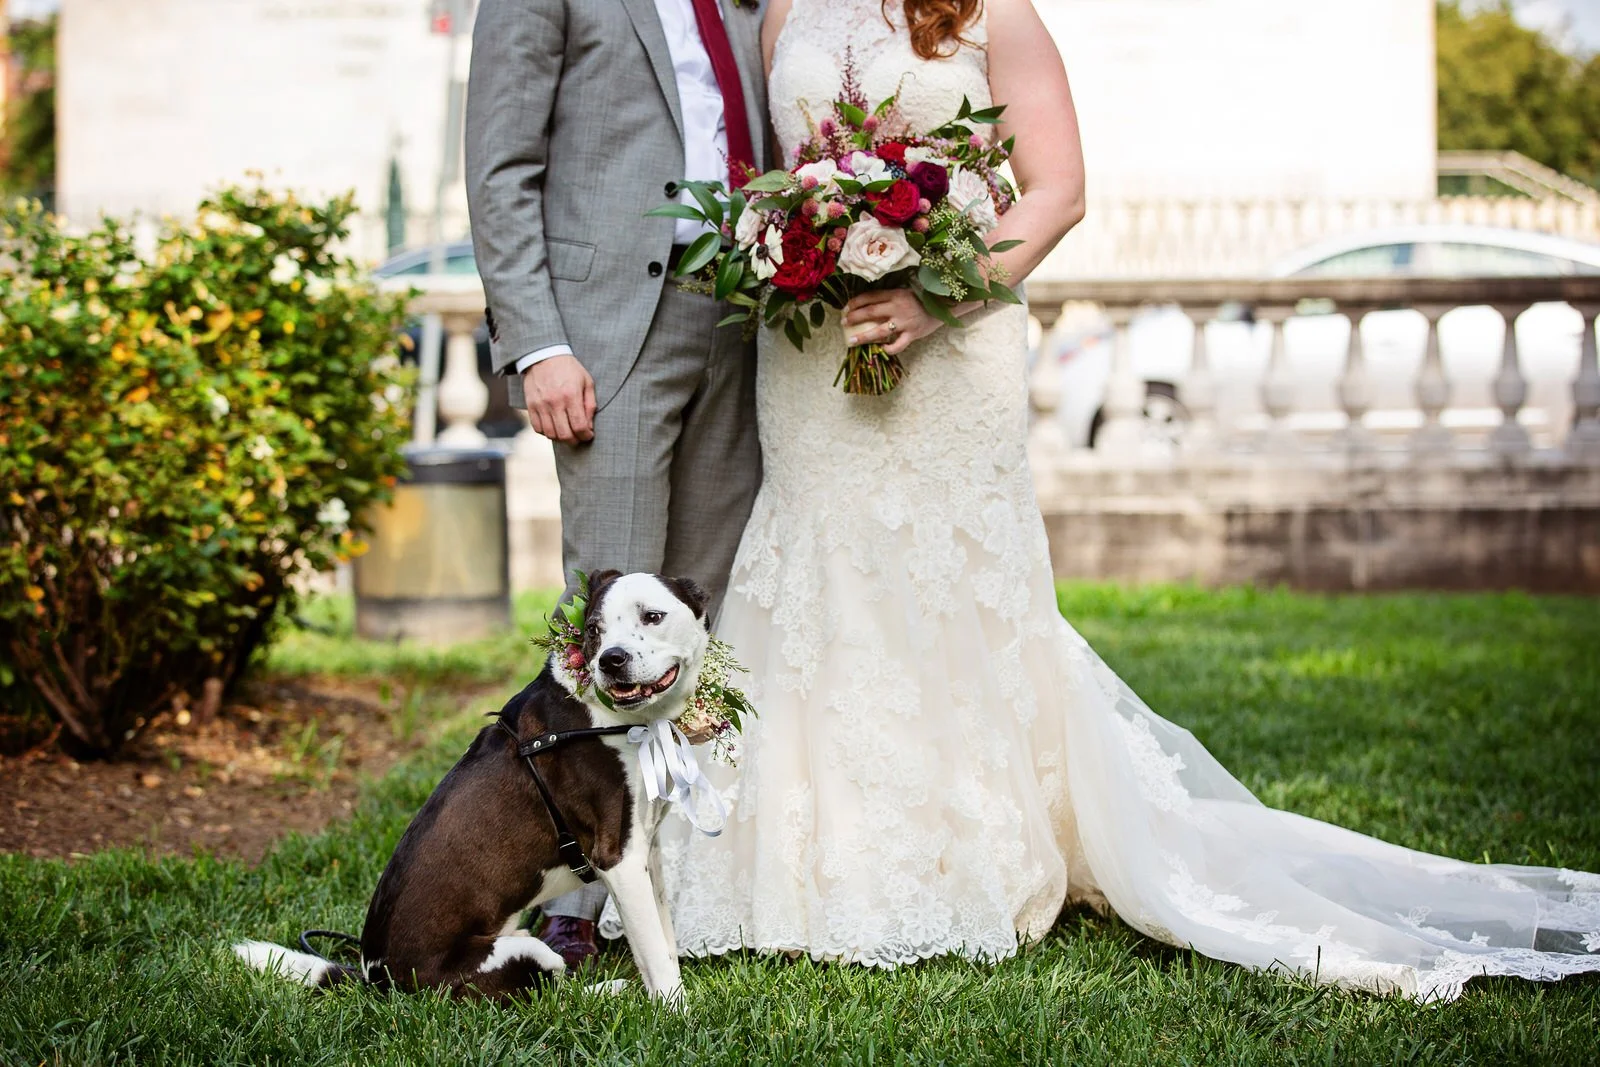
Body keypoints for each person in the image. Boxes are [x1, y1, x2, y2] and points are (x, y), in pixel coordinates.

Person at [648, 0, 1600, 1001]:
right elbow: (786, 178)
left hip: (951, 346)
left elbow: (1058, 189)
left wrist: (933, 296)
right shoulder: (784, 12)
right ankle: (800, 863)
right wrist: (799, 247)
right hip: (811, 352)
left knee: (942, 571)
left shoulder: (988, 11)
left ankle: (965, 850)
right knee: (817, 564)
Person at [464, 0, 769, 970]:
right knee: (609, 630)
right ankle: (576, 892)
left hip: (746, 321)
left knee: (704, 619)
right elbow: (500, 164)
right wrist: (537, 343)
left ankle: (689, 874)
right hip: (608, 328)